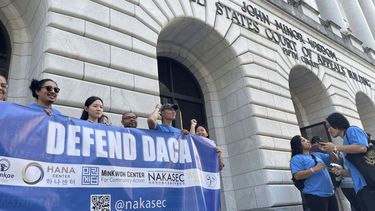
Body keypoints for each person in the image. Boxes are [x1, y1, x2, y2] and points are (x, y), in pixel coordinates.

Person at [322, 112, 375, 211]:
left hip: (369, 184)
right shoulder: (345, 143)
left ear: (337, 123)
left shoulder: (352, 130)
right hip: (361, 187)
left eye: (329, 127)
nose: (328, 130)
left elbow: (362, 147)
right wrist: (341, 171)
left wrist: (334, 147)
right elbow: (354, 170)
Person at [290, 135, 339, 211]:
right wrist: (314, 169)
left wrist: (328, 150)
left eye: (306, 139)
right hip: (315, 195)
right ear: (298, 145)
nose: (308, 141)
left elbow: (335, 159)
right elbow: (297, 176)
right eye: (303, 141)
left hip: (330, 193)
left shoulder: (316, 155)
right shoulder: (296, 158)